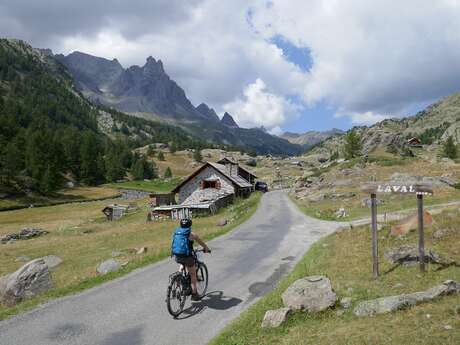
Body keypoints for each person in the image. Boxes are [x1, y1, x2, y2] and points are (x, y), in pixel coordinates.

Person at [171, 218, 211, 301]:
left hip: (177, 256)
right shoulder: (191, 234)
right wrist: (206, 248)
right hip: (187, 256)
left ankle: (178, 279)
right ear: (190, 225)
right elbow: (201, 243)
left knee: (182, 264)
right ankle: (194, 294)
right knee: (193, 274)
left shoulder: (176, 233)